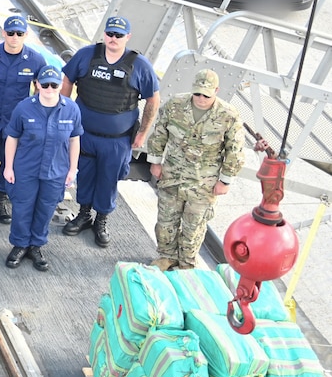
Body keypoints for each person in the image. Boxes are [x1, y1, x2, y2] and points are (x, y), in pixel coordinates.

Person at [59, 15, 161, 249]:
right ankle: (84, 214)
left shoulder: (140, 65)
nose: (113, 39)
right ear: (104, 35)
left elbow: (153, 101)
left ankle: (101, 220)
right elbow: (66, 82)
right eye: (110, 34)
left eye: (119, 35)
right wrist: (63, 118)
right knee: (83, 174)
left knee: (109, 179)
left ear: (128, 37)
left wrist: (143, 133)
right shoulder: (86, 55)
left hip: (116, 140)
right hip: (84, 134)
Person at [144, 69, 246, 270]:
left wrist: (225, 180)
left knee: (194, 228)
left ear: (216, 91)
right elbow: (159, 133)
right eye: (197, 93)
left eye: (206, 95)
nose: (200, 98)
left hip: (203, 184)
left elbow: (235, 150)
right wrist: (155, 162)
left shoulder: (228, 116)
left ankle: (186, 264)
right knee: (166, 222)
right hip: (172, 175)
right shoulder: (175, 105)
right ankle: (166, 256)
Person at [0, 14, 48, 225]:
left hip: (16, 123)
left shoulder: (36, 60)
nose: (14, 37)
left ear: (26, 35)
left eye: (19, 34)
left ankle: (2, 199)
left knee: (9, 161)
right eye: (10, 33)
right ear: (3, 33)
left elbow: (41, 91)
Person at [2, 66, 81, 271]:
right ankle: (20, 245)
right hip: (26, 168)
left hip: (56, 170)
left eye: (53, 85)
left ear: (60, 86)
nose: (48, 88)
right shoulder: (24, 108)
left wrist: (73, 169)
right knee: (22, 207)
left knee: (45, 209)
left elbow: (74, 140)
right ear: (37, 84)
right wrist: (8, 167)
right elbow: (12, 138)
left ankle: (36, 246)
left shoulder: (71, 109)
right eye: (44, 84)